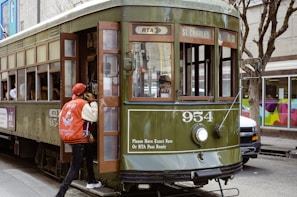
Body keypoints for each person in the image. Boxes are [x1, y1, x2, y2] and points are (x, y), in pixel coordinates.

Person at [56, 83, 101, 197]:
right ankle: (61, 193)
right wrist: (93, 101)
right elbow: (94, 117)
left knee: (89, 152)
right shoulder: (83, 104)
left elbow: (61, 117)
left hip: (72, 137)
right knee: (74, 167)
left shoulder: (67, 104)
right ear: (84, 93)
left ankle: (91, 180)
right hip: (78, 139)